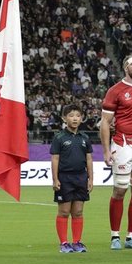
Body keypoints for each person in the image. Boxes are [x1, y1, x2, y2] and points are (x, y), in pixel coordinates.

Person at [100, 55, 132, 250]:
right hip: (123, 145)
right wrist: (106, 151)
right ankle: (115, 236)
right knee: (120, 189)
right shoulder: (115, 91)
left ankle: (131, 237)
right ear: (125, 68)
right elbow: (105, 122)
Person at [51, 105, 93, 253]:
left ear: (82, 118)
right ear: (64, 118)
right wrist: (55, 179)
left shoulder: (85, 138)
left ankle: (77, 242)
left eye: (77, 116)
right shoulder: (59, 137)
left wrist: (90, 179)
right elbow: (55, 159)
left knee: (78, 212)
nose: (75, 118)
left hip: (81, 177)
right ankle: (64, 243)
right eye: (71, 115)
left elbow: (89, 159)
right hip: (65, 178)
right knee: (64, 211)